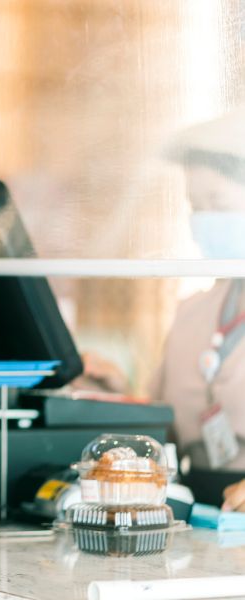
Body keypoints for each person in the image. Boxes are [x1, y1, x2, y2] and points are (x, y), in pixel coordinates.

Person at [152, 109, 245, 512]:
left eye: (218, 202)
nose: (204, 220)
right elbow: (162, 426)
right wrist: (105, 393)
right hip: (199, 511)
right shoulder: (194, 310)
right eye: (195, 206)